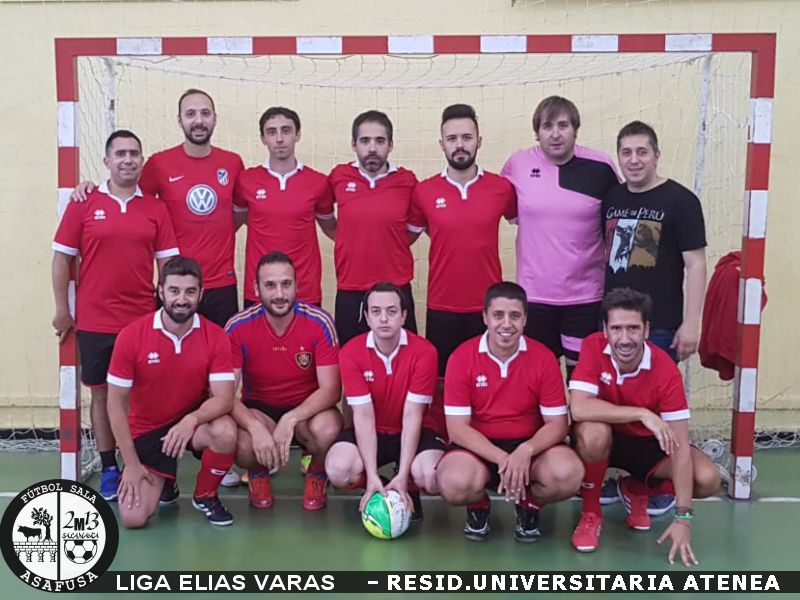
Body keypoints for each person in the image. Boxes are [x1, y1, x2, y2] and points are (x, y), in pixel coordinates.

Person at [72, 89, 245, 489]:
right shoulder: (158, 165)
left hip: (219, 286)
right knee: (160, 376)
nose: (198, 119)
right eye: (190, 113)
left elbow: (237, 212)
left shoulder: (231, 164)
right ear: (179, 119)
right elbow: (126, 192)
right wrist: (89, 187)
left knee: (218, 377)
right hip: (175, 293)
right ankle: (148, 456)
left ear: (215, 117)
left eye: (205, 112)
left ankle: (215, 456)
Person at [52, 129, 179, 501]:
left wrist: (168, 316)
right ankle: (110, 467)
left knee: (149, 399)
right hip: (95, 323)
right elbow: (62, 258)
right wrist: (63, 310)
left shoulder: (155, 208)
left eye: (134, 153)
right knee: (104, 396)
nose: (127, 159)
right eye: (120, 154)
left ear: (141, 160)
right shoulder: (84, 202)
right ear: (107, 161)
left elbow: (169, 267)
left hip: (142, 322)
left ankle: (153, 467)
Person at [569, 288, 720, 564]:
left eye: (633, 329)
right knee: (592, 432)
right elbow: (579, 408)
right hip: (607, 439)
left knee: (707, 477)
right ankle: (591, 514)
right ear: (605, 330)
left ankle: (638, 487)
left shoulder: (664, 369)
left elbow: (681, 448)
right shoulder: (592, 346)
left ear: (647, 330)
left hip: (648, 447)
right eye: (616, 328)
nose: (624, 339)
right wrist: (641, 413)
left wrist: (683, 519)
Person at [436, 282, 584, 542]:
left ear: (525, 319)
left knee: (568, 474)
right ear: (485, 317)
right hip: (478, 448)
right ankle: (478, 506)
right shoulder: (461, 357)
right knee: (452, 483)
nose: (506, 324)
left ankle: (530, 505)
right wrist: (504, 459)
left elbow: (558, 424)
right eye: (498, 315)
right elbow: (457, 428)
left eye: (515, 316)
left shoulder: (543, 357)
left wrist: (525, 451)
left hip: (530, 447)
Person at [106, 257, 238, 528]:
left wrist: (190, 420)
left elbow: (224, 398)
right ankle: (166, 480)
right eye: (174, 291)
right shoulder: (131, 336)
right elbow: (115, 405)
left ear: (201, 294)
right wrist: (130, 463)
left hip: (192, 425)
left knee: (225, 431)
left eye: (190, 292)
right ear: (161, 291)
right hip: (148, 431)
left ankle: (205, 495)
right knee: (133, 519)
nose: (182, 299)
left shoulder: (215, 336)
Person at [501, 96, 619, 379]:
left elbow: (617, 225)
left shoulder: (600, 167)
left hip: (586, 298)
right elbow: (511, 214)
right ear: (537, 132)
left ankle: (580, 425)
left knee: (581, 383)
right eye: (547, 126)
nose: (555, 134)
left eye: (563, 125)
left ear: (575, 129)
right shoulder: (518, 164)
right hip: (535, 298)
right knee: (538, 381)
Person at [225, 251, 342, 511]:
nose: (279, 293)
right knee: (239, 440)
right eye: (270, 285)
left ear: (296, 285)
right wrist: (255, 428)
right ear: (256, 288)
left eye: (286, 284)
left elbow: (332, 390)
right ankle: (257, 473)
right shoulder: (237, 327)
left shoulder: (319, 322)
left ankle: (317, 473)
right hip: (260, 410)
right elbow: (224, 395)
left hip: (307, 411)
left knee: (329, 429)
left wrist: (291, 419)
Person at [409, 104, 517, 376]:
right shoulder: (424, 191)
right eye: (452, 139)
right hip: (442, 305)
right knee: (444, 380)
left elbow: (529, 226)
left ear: (479, 142)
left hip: (489, 306)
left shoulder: (501, 188)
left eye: (467, 138)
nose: (460, 145)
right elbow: (409, 234)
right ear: (441, 144)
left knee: (488, 378)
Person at [325, 282, 445, 521]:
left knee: (432, 478)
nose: (384, 319)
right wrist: (370, 474)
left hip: (414, 430)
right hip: (374, 431)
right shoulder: (351, 352)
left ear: (403, 316)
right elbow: (363, 416)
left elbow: (412, 415)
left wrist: (404, 475)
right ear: (367, 318)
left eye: (391, 311)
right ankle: (376, 485)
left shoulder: (425, 352)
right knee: (338, 470)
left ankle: (405, 481)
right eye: (376, 312)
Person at [603, 120, 707, 363]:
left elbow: (696, 265)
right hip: (615, 324)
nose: (634, 160)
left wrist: (692, 323)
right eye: (626, 153)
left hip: (660, 327)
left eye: (642, 152)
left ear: (656, 155)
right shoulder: (611, 198)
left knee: (655, 399)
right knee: (616, 396)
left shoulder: (682, 201)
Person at [328, 110, 418, 345]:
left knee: (403, 362)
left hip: (396, 289)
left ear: (390, 145)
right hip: (351, 289)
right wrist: (350, 239)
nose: (372, 148)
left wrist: (388, 241)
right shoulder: (338, 176)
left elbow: (412, 230)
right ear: (353, 144)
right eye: (365, 141)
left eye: (380, 141)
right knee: (350, 363)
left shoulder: (407, 181)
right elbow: (326, 219)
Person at [234, 106, 335, 308]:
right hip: (260, 290)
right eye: (272, 132)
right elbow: (233, 224)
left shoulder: (318, 182)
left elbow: (333, 229)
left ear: (297, 134)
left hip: (304, 289)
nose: (279, 139)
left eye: (286, 131)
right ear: (263, 138)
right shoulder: (246, 180)